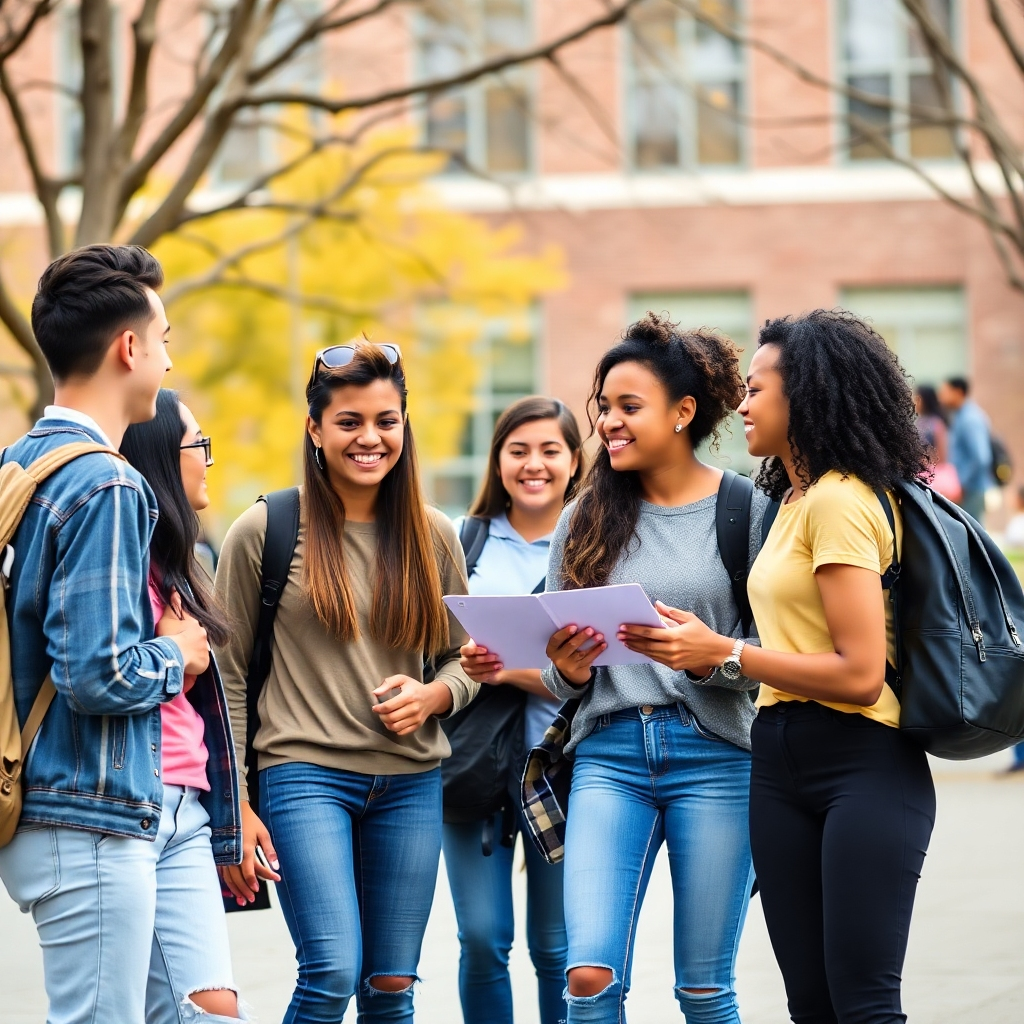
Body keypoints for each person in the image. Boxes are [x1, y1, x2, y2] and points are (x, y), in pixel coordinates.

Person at [621, 310, 935, 1024]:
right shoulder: (788, 501)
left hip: (863, 763)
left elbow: (860, 673)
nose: (742, 403)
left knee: (863, 1005)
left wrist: (724, 652)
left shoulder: (841, 503)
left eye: (759, 389)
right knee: (812, 1006)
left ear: (810, 396)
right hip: (778, 761)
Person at [214, 341, 478, 1024]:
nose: (370, 438)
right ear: (315, 429)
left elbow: (466, 658)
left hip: (410, 781)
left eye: (386, 421)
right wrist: (236, 807)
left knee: (391, 987)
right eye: (349, 421)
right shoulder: (264, 530)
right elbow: (228, 677)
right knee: (331, 971)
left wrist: (435, 695)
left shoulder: (434, 535)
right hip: (303, 774)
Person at [0, 245, 216, 1023]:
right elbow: (97, 674)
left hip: (47, 805)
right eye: (163, 339)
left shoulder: (21, 463)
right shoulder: (108, 483)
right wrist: (179, 653)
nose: (165, 357)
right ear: (130, 348)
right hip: (87, 815)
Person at [540, 314, 769, 1024]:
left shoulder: (746, 511)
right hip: (607, 756)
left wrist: (708, 660)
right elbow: (555, 673)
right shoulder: (583, 518)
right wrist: (567, 670)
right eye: (603, 406)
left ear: (683, 412)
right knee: (587, 977)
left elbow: (772, 660)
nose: (609, 421)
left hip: (718, 757)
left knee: (704, 990)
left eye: (628, 407)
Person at [453, 396, 584, 1024]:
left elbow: (612, 675)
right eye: (518, 450)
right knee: (481, 941)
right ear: (498, 460)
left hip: (566, 772)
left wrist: (509, 669)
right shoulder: (462, 540)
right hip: (472, 766)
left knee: (557, 949)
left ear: (575, 461)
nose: (534, 465)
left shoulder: (596, 546)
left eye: (549, 450)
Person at [120, 389, 244, 1020]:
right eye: (199, 445)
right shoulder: (117, 558)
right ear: (162, 457)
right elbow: (95, 677)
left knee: (204, 1008)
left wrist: (234, 814)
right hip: (131, 805)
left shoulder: (177, 565)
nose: (207, 461)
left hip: (187, 808)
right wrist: (176, 657)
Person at [939, 376, 992, 522]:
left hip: (971, 489)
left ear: (958, 392)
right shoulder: (960, 416)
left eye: (945, 391)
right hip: (966, 488)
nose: (941, 396)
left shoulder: (970, 419)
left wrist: (962, 484)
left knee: (974, 537)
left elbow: (981, 457)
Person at [914, 385, 948, 461]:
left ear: (926, 400)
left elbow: (942, 454)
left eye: (918, 399)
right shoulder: (919, 422)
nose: (915, 402)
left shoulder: (936, 423)